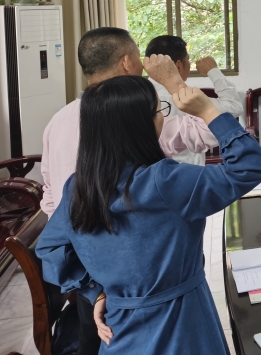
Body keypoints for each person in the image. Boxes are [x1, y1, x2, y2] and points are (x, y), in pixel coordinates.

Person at [37, 77, 261, 354]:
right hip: (183, 324)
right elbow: (250, 166)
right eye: (160, 110)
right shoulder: (165, 182)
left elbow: (50, 248)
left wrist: (95, 291)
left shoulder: (77, 187)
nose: (163, 116)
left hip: (119, 330)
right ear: (142, 124)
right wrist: (209, 111)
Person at [40, 27, 218, 354]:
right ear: (126, 62)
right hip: (153, 277)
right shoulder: (138, 116)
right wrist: (174, 83)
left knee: (95, 340)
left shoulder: (57, 121)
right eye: (139, 56)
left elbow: (50, 198)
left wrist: (86, 259)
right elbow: (210, 134)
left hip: (88, 273)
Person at [145, 35, 244, 165]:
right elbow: (234, 107)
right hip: (189, 171)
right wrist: (213, 71)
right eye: (188, 60)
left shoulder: (137, 95)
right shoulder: (186, 97)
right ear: (178, 65)